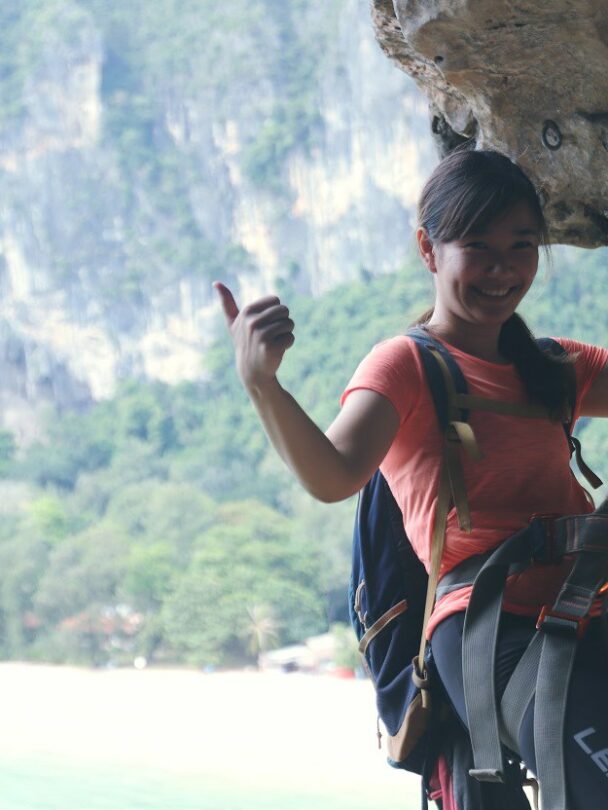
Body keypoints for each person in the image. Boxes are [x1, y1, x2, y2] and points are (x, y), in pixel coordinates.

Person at [214, 148, 608, 808]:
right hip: (491, 631)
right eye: (476, 245)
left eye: (521, 245)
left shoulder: (555, 367)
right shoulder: (407, 365)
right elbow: (335, 474)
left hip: (588, 608)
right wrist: (262, 384)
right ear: (429, 250)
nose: (502, 268)